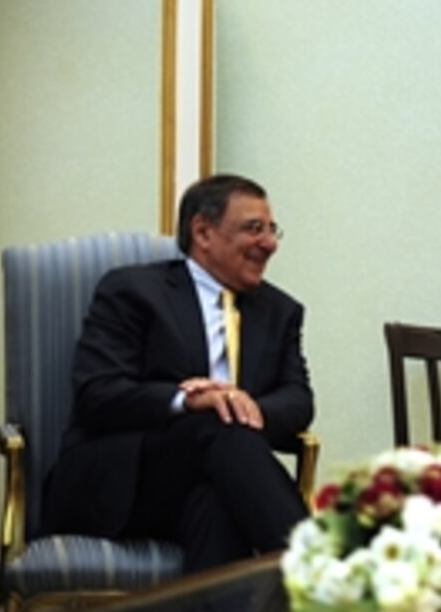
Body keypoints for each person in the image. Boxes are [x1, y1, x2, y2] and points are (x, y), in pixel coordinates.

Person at [40, 173, 314, 574]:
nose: (269, 243)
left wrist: (241, 405)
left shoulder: (281, 311)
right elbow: (98, 393)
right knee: (216, 423)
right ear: (202, 232)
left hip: (215, 479)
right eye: (254, 229)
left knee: (216, 502)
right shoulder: (132, 291)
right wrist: (188, 401)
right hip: (122, 481)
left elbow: (298, 400)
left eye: (272, 230)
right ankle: (320, 577)